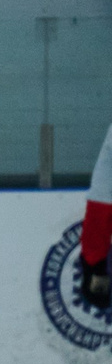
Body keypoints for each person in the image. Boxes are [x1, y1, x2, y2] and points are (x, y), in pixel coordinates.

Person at [82, 119, 110, 310]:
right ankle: (96, 282)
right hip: (103, 195)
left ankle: (96, 281)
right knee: (94, 247)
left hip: (102, 195)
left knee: (94, 247)